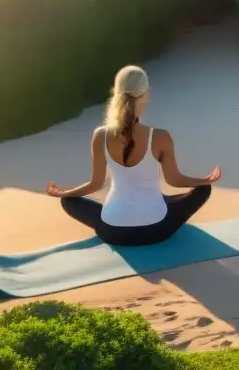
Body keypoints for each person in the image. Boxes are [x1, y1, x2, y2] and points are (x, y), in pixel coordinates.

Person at [46, 65, 221, 246]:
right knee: (202, 189)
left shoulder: (100, 136)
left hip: (113, 232)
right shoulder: (160, 137)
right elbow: (174, 180)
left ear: (116, 94)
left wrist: (64, 193)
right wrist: (204, 181)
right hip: (157, 230)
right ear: (146, 94)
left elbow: (95, 184)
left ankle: (80, 202)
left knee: (68, 201)